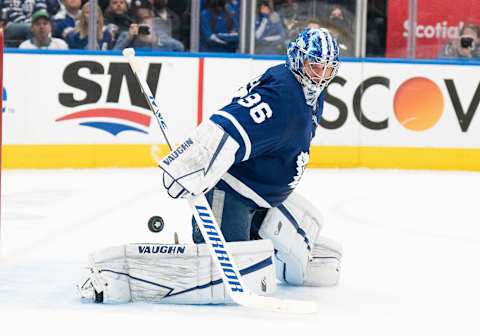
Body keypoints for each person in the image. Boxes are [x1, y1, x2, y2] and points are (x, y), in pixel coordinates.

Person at [78, 28, 343, 305]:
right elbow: (230, 125)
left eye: (328, 69)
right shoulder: (282, 95)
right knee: (227, 277)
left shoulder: (308, 91)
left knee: (297, 238)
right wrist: (193, 163)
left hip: (262, 196)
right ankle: (117, 275)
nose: (321, 76)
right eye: (315, 66)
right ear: (298, 60)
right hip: (231, 195)